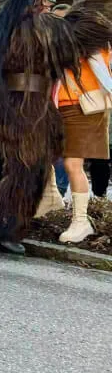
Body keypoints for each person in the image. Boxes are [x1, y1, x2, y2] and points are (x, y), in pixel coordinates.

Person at [0, 0, 112, 254]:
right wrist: (97, 8)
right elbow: (78, 35)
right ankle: (3, 229)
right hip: (28, 112)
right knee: (26, 170)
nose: (48, 3)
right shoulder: (37, 27)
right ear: (31, 2)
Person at [54, 46, 112, 242]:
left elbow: (103, 69)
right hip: (62, 106)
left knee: (72, 164)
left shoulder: (94, 44)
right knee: (56, 159)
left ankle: (81, 221)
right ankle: (52, 202)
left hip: (84, 106)